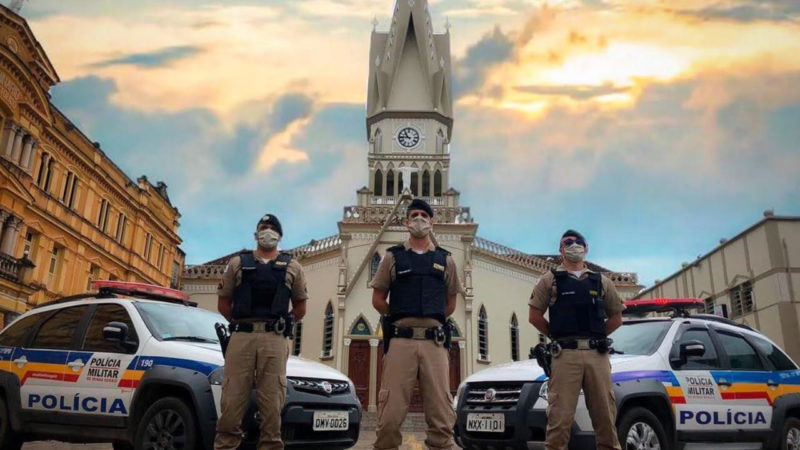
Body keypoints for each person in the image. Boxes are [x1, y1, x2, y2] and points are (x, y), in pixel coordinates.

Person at [371, 198, 460, 450]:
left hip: (434, 343)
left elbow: (450, 304)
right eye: (414, 215)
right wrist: (401, 314)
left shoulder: (446, 260)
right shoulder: (392, 257)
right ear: (406, 222)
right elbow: (378, 299)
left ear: (432, 222)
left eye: (424, 215)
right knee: (389, 417)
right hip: (401, 342)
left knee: (441, 417)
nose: (419, 219)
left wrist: (430, 316)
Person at [214, 214, 308, 450]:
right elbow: (223, 303)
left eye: (272, 228)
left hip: (274, 339)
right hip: (241, 338)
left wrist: (283, 324)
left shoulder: (292, 266)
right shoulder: (237, 263)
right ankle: (226, 445)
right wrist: (241, 323)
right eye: (263, 227)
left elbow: (300, 308)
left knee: (272, 404)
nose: (268, 231)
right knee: (232, 400)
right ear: (256, 235)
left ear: (280, 236)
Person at [528, 230, 625, 450]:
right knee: (559, 421)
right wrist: (558, 335)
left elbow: (616, 317)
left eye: (578, 242)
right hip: (565, 356)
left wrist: (597, 335)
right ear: (560, 250)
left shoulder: (601, 281)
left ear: (586, 248)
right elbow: (534, 316)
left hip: (596, 356)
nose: (574, 245)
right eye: (568, 242)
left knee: (605, 418)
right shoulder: (550, 280)